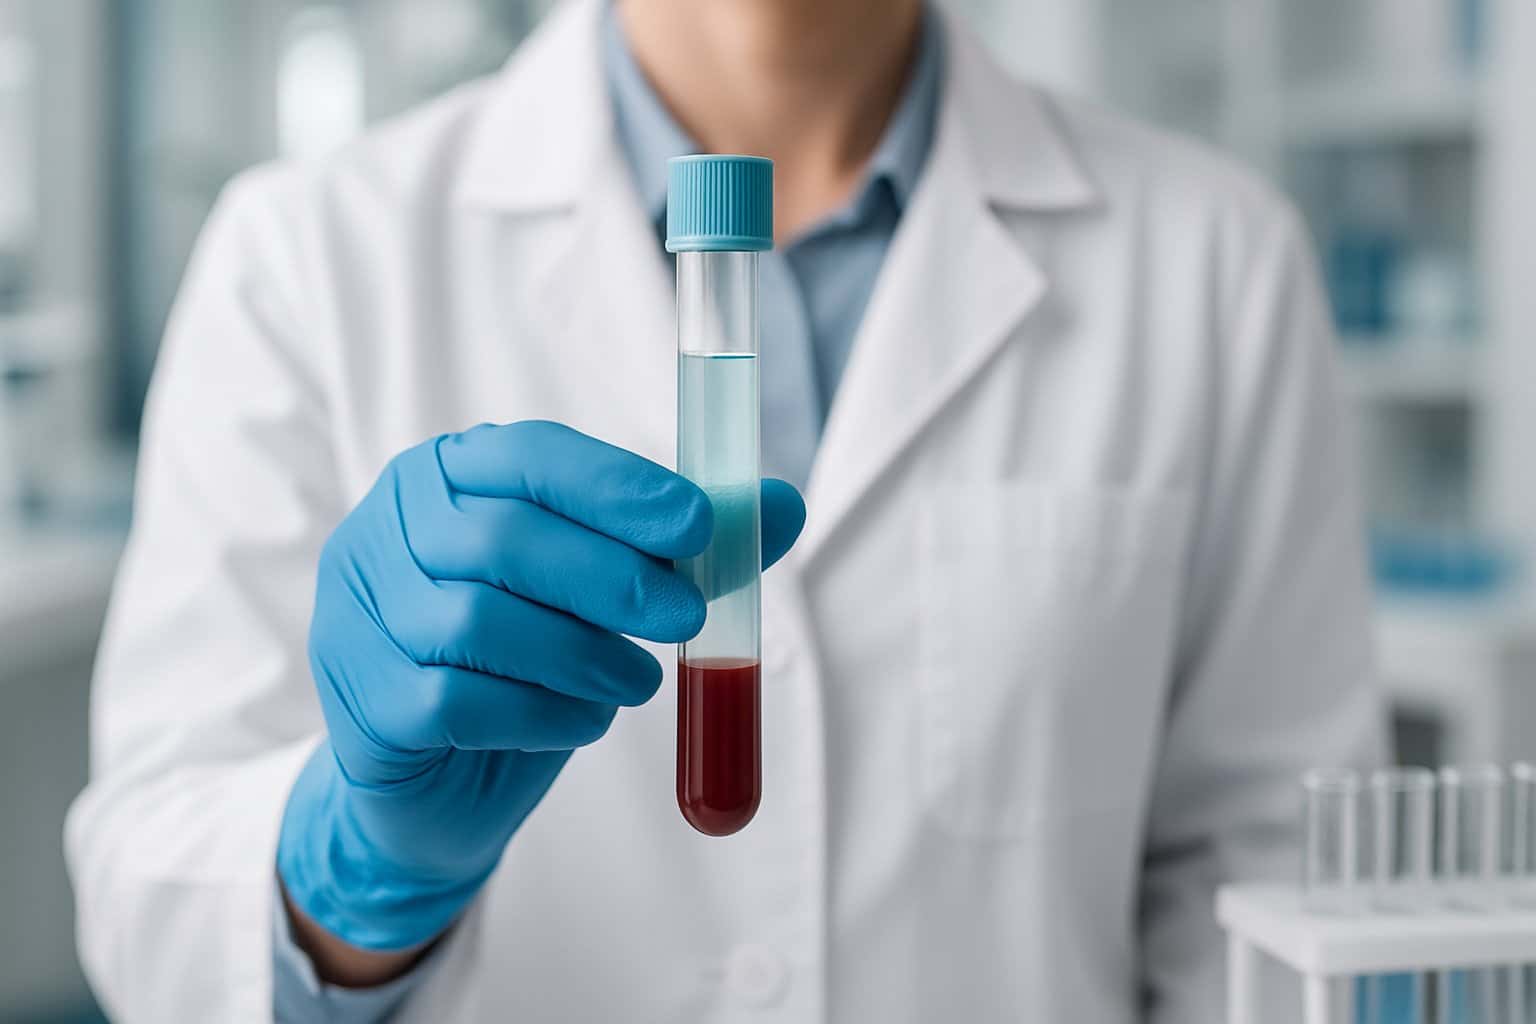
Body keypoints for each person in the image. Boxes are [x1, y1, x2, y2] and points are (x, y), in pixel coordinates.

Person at [65, 0, 1383, 1020]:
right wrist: (351, 870)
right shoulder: (307, 257)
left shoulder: (1217, 262)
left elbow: (1268, 888)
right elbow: (150, 918)